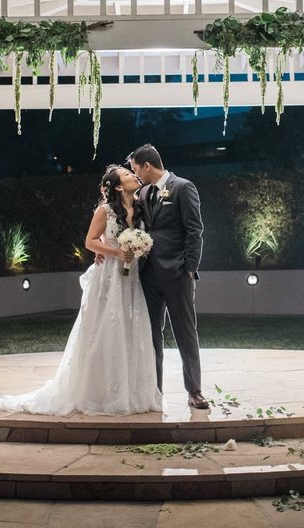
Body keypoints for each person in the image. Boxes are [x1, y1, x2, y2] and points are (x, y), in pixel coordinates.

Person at [0, 165, 161, 416]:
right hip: (110, 278)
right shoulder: (104, 211)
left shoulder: (140, 207)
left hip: (132, 278)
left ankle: (131, 392)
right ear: (116, 186)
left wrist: (138, 249)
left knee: (131, 327)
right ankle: (98, 392)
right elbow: (89, 241)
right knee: (104, 329)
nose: (133, 175)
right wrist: (115, 251)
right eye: (127, 174)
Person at [126, 144, 208, 410]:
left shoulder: (183, 187)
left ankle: (194, 391)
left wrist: (190, 268)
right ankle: (154, 390)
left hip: (177, 273)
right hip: (148, 275)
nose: (135, 175)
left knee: (185, 332)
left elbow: (195, 230)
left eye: (136, 169)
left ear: (147, 166)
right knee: (151, 336)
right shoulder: (142, 193)